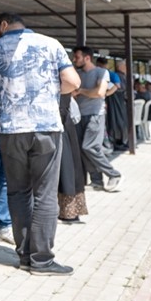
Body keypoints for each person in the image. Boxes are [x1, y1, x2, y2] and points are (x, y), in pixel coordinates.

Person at [0, 12, 81, 277]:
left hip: (11, 130)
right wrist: (46, 92)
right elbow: (73, 82)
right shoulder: (51, 44)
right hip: (46, 127)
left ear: (2, 25)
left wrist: (9, 96)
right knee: (45, 194)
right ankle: (42, 260)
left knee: (18, 193)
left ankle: (24, 257)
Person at [71, 47, 122, 192]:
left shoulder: (101, 72)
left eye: (77, 57)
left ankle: (114, 174)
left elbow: (99, 92)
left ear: (87, 58)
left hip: (95, 115)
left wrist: (81, 91)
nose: (74, 60)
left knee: (90, 147)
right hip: (79, 116)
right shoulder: (78, 74)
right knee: (83, 150)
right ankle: (96, 181)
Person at [57, 94, 89, 223]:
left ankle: (67, 211)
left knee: (66, 169)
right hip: (63, 123)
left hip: (62, 123)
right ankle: (68, 211)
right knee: (67, 168)